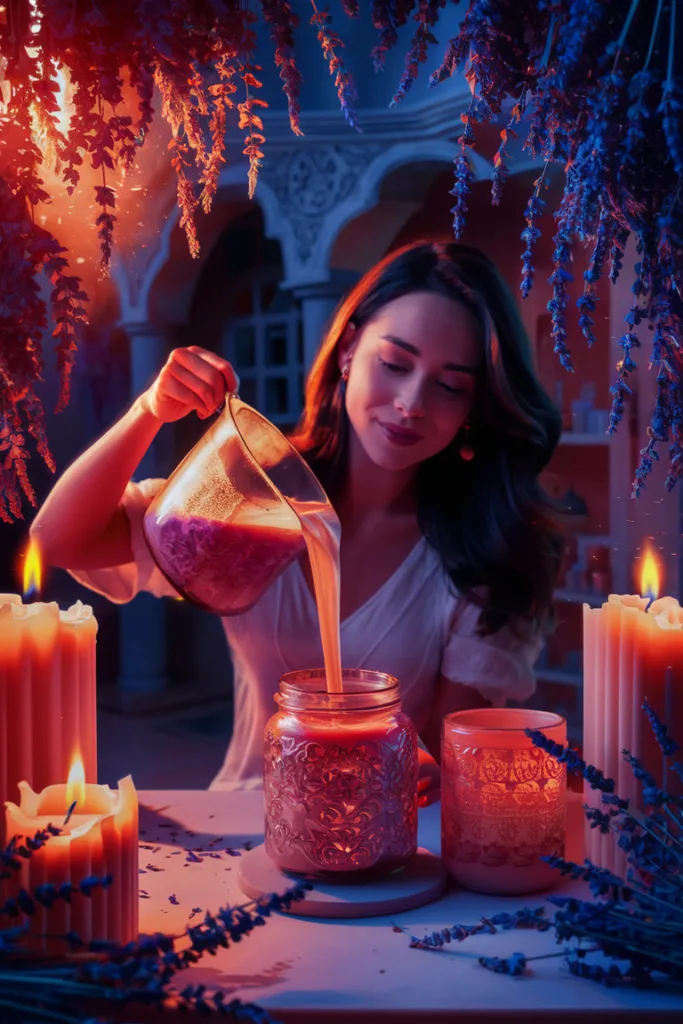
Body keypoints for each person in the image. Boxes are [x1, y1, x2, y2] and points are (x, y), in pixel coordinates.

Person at [31, 240, 564, 804]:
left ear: (473, 409)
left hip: (384, 839)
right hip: (242, 821)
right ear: (348, 350)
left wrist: (433, 768)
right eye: (395, 364)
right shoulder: (249, 496)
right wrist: (149, 413)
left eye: (450, 385)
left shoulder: (479, 553)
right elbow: (61, 539)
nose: (411, 403)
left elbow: (449, 761)